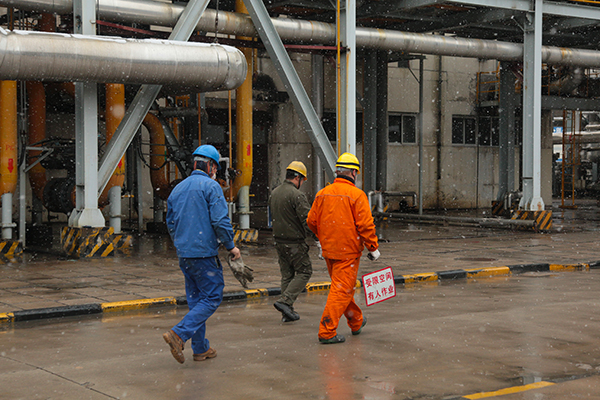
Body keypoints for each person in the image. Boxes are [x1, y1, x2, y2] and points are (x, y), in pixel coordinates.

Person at [163, 144, 247, 364]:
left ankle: (200, 349)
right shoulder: (211, 187)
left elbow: (170, 223)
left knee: (196, 301)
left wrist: (182, 243)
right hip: (204, 255)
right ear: (211, 166)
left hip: (185, 254)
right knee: (211, 297)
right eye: (216, 167)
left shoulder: (178, 189)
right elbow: (219, 220)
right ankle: (178, 334)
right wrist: (231, 246)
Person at [307, 152, 380, 344]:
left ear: (337, 172)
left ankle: (356, 321)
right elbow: (365, 225)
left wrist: (324, 237)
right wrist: (373, 247)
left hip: (329, 251)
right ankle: (327, 332)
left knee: (342, 288)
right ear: (354, 173)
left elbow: (311, 221)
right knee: (341, 291)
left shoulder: (323, 193)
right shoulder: (357, 195)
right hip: (348, 253)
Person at [269, 161, 316, 322]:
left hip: (279, 241)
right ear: (298, 178)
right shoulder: (297, 196)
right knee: (305, 271)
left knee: (287, 276)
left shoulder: (274, 193)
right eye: (302, 180)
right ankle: (285, 301)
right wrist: (318, 237)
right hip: (295, 243)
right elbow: (308, 221)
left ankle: (286, 312)